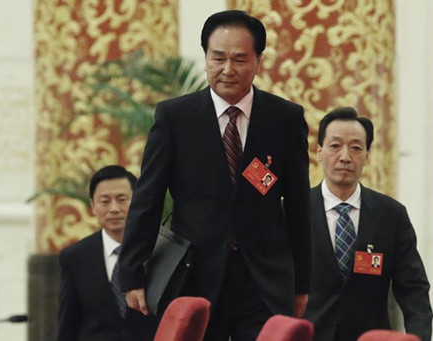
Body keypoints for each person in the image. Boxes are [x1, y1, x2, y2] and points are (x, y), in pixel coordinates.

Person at [118, 10, 311, 340]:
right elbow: (147, 200)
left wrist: (302, 284)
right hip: (195, 275)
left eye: (239, 59)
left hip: (263, 280)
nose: (227, 70)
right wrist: (132, 273)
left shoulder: (285, 119)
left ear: (258, 61)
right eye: (218, 58)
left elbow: (297, 208)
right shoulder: (175, 118)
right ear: (205, 57)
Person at [304, 107, 433, 340]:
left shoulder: (391, 215)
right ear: (319, 151)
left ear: (366, 156)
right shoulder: (293, 211)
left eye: (355, 148)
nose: (345, 157)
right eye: (335, 146)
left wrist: (419, 336)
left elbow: (414, 289)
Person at [57, 165, 159, 341]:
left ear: (136, 202)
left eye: (121, 199)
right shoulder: (74, 257)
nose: (114, 209)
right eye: (105, 201)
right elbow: (69, 322)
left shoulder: (158, 250)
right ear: (93, 206)